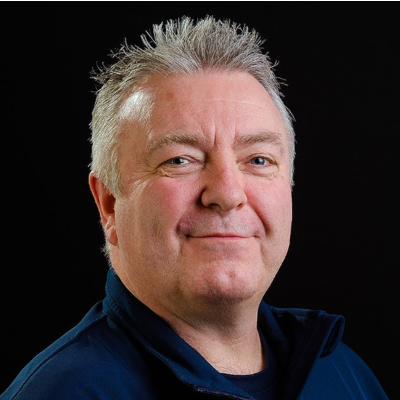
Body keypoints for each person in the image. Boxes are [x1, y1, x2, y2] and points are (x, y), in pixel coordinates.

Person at [1, 15, 389, 400]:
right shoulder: (64, 393)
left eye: (258, 160)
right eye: (179, 160)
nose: (227, 193)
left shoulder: (345, 375)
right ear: (109, 205)